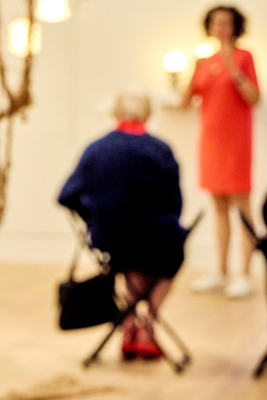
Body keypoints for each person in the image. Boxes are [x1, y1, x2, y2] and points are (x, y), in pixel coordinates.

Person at [59, 88, 188, 360]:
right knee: (167, 255)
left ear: (115, 112)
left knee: (130, 263)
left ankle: (130, 325)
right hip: (156, 240)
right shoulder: (160, 150)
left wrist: (94, 216)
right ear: (147, 113)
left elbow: (66, 195)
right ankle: (147, 325)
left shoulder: (96, 149)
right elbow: (176, 203)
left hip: (110, 240)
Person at [182, 6, 261, 297]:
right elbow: (185, 102)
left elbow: (254, 97)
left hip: (236, 141)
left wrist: (233, 69)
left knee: (242, 206)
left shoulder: (244, 57)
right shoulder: (204, 60)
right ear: (210, 27)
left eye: (227, 23)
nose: (221, 28)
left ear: (235, 26)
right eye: (217, 23)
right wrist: (191, 71)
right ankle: (221, 271)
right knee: (218, 208)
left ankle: (246, 273)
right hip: (211, 141)